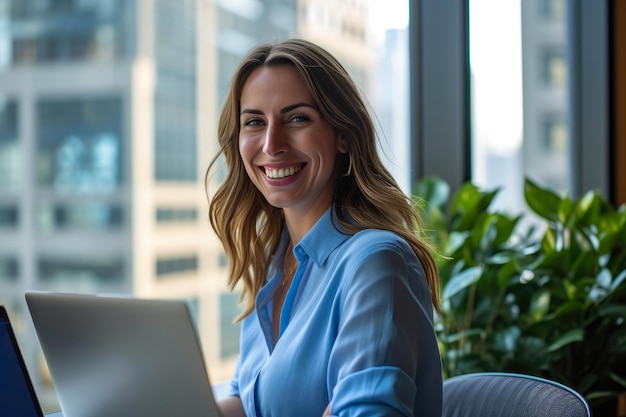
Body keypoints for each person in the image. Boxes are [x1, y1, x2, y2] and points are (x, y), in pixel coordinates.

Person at [206, 38, 442, 417]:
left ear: (344, 136)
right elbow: (247, 401)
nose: (272, 144)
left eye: (297, 118)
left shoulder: (375, 262)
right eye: (254, 122)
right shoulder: (274, 262)